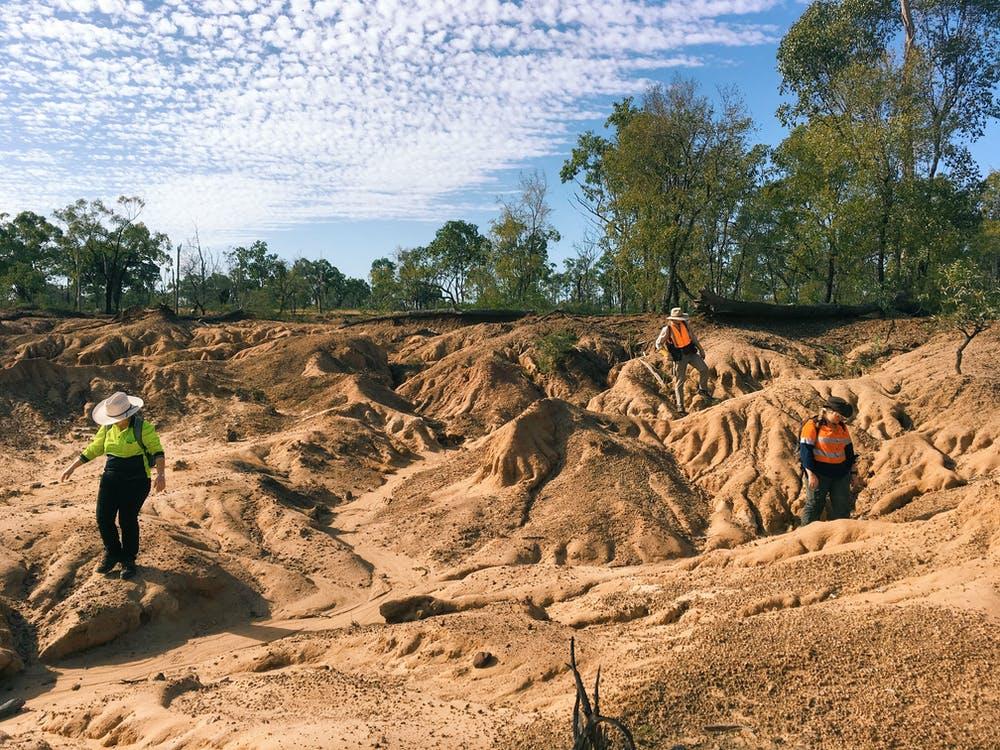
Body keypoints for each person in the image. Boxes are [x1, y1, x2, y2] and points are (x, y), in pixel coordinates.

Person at [60, 392, 166, 579]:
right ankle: (113, 552)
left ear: (128, 414)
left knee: (127, 519)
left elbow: (157, 451)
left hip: (137, 479)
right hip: (111, 476)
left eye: (119, 418)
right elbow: (94, 448)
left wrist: (161, 475)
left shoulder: (144, 428)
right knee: (103, 517)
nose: (116, 421)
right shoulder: (107, 428)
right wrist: (72, 467)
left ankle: (128, 560)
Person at [799, 396, 856, 525]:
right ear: (828, 411)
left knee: (842, 506)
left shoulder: (842, 427)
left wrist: (853, 473)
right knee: (814, 505)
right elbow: (805, 452)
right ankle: (805, 533)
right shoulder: (812, 425)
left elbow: (849, 451)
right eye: (839, 415)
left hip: (841, 474)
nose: (841, 418)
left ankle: (842, 536)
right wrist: (811, 474)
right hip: (819, 474)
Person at [654, 307, 712, 415]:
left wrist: (701, 349)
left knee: (704, 369)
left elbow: (693, 337)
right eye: (679, 318)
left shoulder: (685, 324)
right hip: (679, 357)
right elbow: (658, 344)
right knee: (680, 381)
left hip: (691, 352)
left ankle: (703, 390)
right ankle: (680, 407)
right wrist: (666, 354)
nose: (681, 320)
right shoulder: (667, 329)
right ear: (673, 319)